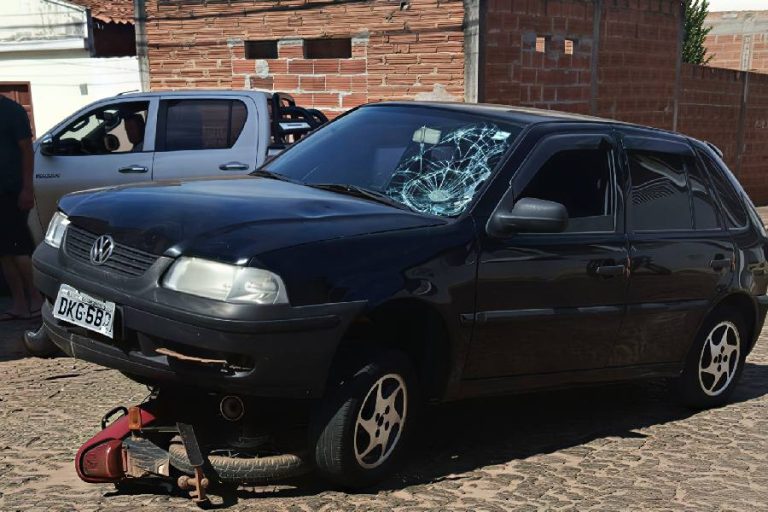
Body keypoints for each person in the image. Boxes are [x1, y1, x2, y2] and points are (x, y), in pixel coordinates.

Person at [0, 95, 42, 321]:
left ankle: (35, 299)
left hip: (12, 191)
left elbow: (27, 150)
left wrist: (27, 188)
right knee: (4, 253)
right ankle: (19, 304)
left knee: (18, 250)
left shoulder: (12, 111)